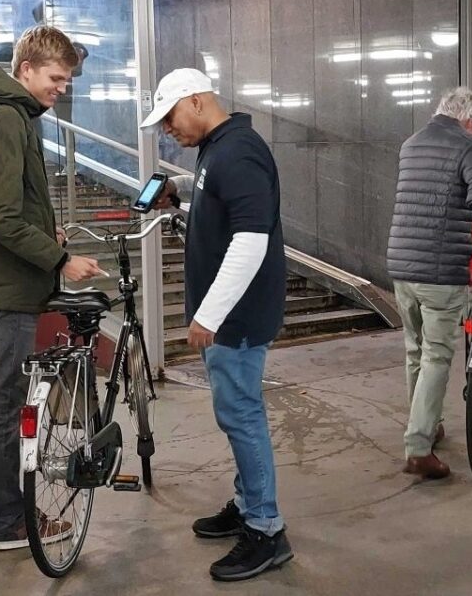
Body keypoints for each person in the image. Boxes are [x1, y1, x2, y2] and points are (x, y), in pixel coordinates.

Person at [0, 25, 103, 550]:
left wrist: (45, 231)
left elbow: (4, 208)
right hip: (4, 288)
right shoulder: (3, 118)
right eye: (56, 78)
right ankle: (9, 524)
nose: (62, 88)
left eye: (66, 80)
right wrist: (60, 258)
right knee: (0, 405)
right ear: (26, 69)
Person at [142, 68, 292, 582]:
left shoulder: (238, 151)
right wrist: (180, 198)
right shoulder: (219, 149)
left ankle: (266, 530)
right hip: (232, 312)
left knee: (241, 415)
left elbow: (250, 239)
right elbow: (222, 207)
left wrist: (210, 314)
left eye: (169, 118)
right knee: (236, 413)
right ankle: (247, 501)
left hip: (238, 314)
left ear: (197, 101)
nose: (167, 131)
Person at [386, 87, 472, 480]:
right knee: (437, 356)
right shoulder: (469, 145)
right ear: (470, 120)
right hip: (440, 271)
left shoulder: (411, 143)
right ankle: (419, 448)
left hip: (402, 267)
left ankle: (429, 423)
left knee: (415, 351)